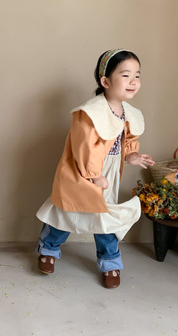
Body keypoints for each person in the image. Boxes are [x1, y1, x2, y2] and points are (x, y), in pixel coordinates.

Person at [36, 49, 154, 289]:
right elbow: (84, 147)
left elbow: (126, 138)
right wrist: (94, 175)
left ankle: (110, 261)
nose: (133, 81)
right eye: (126, 75)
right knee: (68, 211)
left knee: (105, 216)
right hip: (83, 171)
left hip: (109, 170)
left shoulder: (127, 112)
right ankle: (48, 248)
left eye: (137, 76)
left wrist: (131, 154)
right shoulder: (90, 113)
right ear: (106, 81)